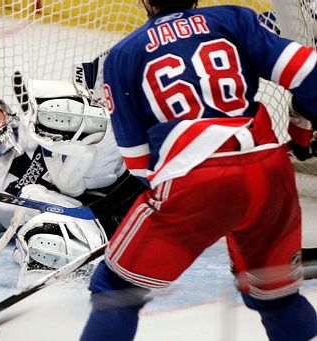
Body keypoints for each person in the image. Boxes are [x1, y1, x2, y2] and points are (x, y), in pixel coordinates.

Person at [80, 1, 317, 340]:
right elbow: (308, 73)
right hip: (268, 169)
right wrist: (303, 129)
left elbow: (137, 161)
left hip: (193, 178)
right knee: (277, 298)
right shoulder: (233, 18)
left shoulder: (122, 54)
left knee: (113, 290)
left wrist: (192, 209)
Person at [0, 78, 145, 287]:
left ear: (8, 114)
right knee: (41, 237)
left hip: (119, 189)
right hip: (83, 225)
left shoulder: (42, 122)